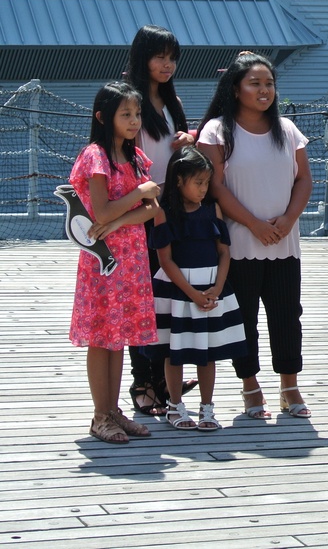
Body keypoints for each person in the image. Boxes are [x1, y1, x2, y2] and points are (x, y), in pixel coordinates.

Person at [198, 52, 313, 421]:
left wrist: (287, 219)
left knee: (286, 316)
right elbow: (214, 186)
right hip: (239, 244)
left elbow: (304, 180)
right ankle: (250, 386)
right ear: (236, 88)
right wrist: (255, 224)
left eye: (269, 83)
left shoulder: (288, 129)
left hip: (285, 243)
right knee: (242, 318)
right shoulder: (216, 130)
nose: (264, 90)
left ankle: (289, 385)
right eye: (255, 83)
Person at [69, 81, 161, 443]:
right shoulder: (95, 156)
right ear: (103, 117)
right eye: (126, 114)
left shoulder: (136, 157)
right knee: (100, 336)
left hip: (132, 258)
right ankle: (99, 414)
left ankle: (113, 411)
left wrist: (120, 220)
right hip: (102, 259)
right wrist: (137, 195)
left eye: (137, 114)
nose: (134, 120)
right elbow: (102, 209)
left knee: (119, 336)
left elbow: (151, 211)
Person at [144, 146, 247, 431]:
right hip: (178, 290)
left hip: (211, 287)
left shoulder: (212, 210)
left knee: (207, 351)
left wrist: (216, 287)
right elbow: (165, 260)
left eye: (206, 183)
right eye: (198, 182)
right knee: (173, 351)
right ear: (179, 180)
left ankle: (207, 408)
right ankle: (175, 406)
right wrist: (192, 293)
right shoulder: (164, 214)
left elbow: (224, 252)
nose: (203, 189)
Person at [126, 24, 198, 416]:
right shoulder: (132, 101)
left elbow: (176, 150)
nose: (167, 65)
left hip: (172, 209)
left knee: (167, 295)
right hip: (143, 213)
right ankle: (143, 382)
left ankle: (162, 376)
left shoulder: (171, 101)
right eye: (159, 57)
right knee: (143, 297)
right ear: (142, 57)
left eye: (172, 58)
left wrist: (190, 136)